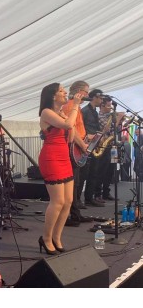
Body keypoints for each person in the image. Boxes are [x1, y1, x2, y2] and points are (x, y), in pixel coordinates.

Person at [38, 83, 84, 255]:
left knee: (68, 201)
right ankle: (46, 238)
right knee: (57, 201)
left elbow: (70, 135)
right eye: (61, 91)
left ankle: (56, 237)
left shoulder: (61, 114)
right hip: (51, 158)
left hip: (64, 157)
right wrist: (75, 107)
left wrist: (69, 116)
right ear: (52, 96)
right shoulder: (46, 112)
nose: (65, 93)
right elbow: (66, 126)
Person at [61, 80, 94, 227]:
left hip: (77, 146)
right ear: (79, 91)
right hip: (72, 147)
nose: (88, 94)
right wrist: (82, 144)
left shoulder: (76, 107)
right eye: (86, 91)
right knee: (73, 183)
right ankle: (72, 215)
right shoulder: (70, 106)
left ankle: (75, 214)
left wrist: (87, 138)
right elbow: (71, 130)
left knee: (76, 182)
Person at [81, 89, 104, 207]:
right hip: (86, 144)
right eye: (101, 98)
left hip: (94, 144)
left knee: (94, 172)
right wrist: (87, 137)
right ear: (94, 97)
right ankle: (77, 200)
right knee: (83, 174)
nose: (102, 100)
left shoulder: (95, 111)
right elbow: (80, 127)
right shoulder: (84, 111)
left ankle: (89, 198)